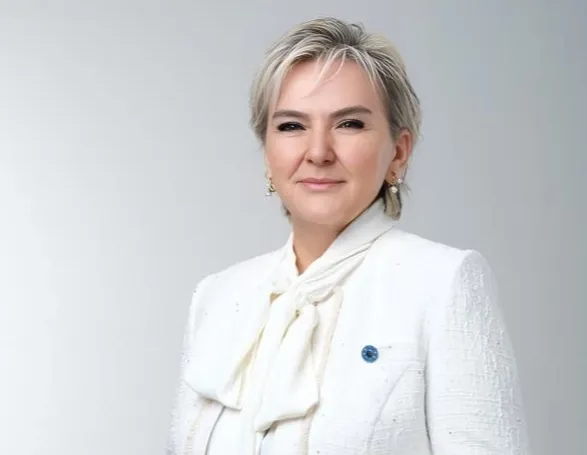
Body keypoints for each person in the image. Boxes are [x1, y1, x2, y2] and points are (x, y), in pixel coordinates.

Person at [167, 16, 530, 455]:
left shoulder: (442, 283)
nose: (318, 152)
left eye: (349, 124)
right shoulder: (219, 296)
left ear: (398, 153)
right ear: (267, 153)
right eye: (291, 126)